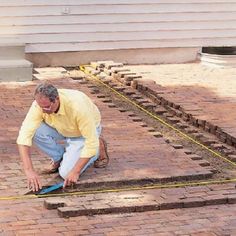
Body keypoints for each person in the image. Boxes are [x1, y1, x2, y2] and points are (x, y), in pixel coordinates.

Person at [17, 83, 109, 192]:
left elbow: (91, 143)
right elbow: (24, 136)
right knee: (33, 131)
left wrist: (75, 171)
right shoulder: (39, 105)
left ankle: (99, 148)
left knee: (66, 173)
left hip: (82, 134)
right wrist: (29, 170)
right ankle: (59, 158)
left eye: (47, 107)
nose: (43, 110)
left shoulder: (78, 107)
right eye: (40, 107)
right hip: (61, 127)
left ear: (56, 99)